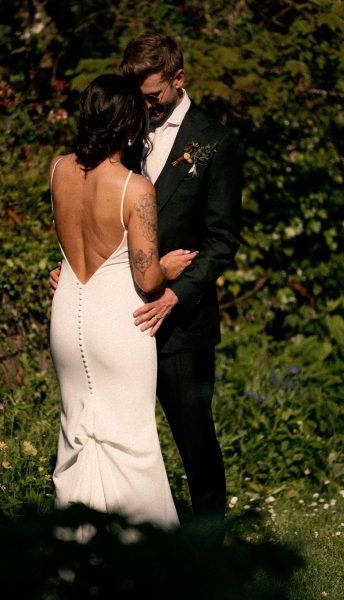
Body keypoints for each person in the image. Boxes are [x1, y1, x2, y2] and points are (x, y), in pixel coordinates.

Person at [50, 34, 243, 522]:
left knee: (196, 443)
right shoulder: (120, 142)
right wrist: (79, 275)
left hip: (180, 325)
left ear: (178, 80)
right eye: (136, 97)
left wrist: (175, 294)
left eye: (152, 96)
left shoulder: (214, 141)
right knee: (115, 436)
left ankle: (209, 560)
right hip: (115, 324)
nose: (143, 106)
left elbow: (223, 240)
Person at [49, 73, 197, 529]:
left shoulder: (57, 169)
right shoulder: (136, 188)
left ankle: (78, 552)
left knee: (78, 436)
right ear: (129, 127)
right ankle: (147, 560)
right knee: (132, 442)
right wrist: (172, 265)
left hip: (68, 314)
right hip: (119, 322)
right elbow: (147, 278)